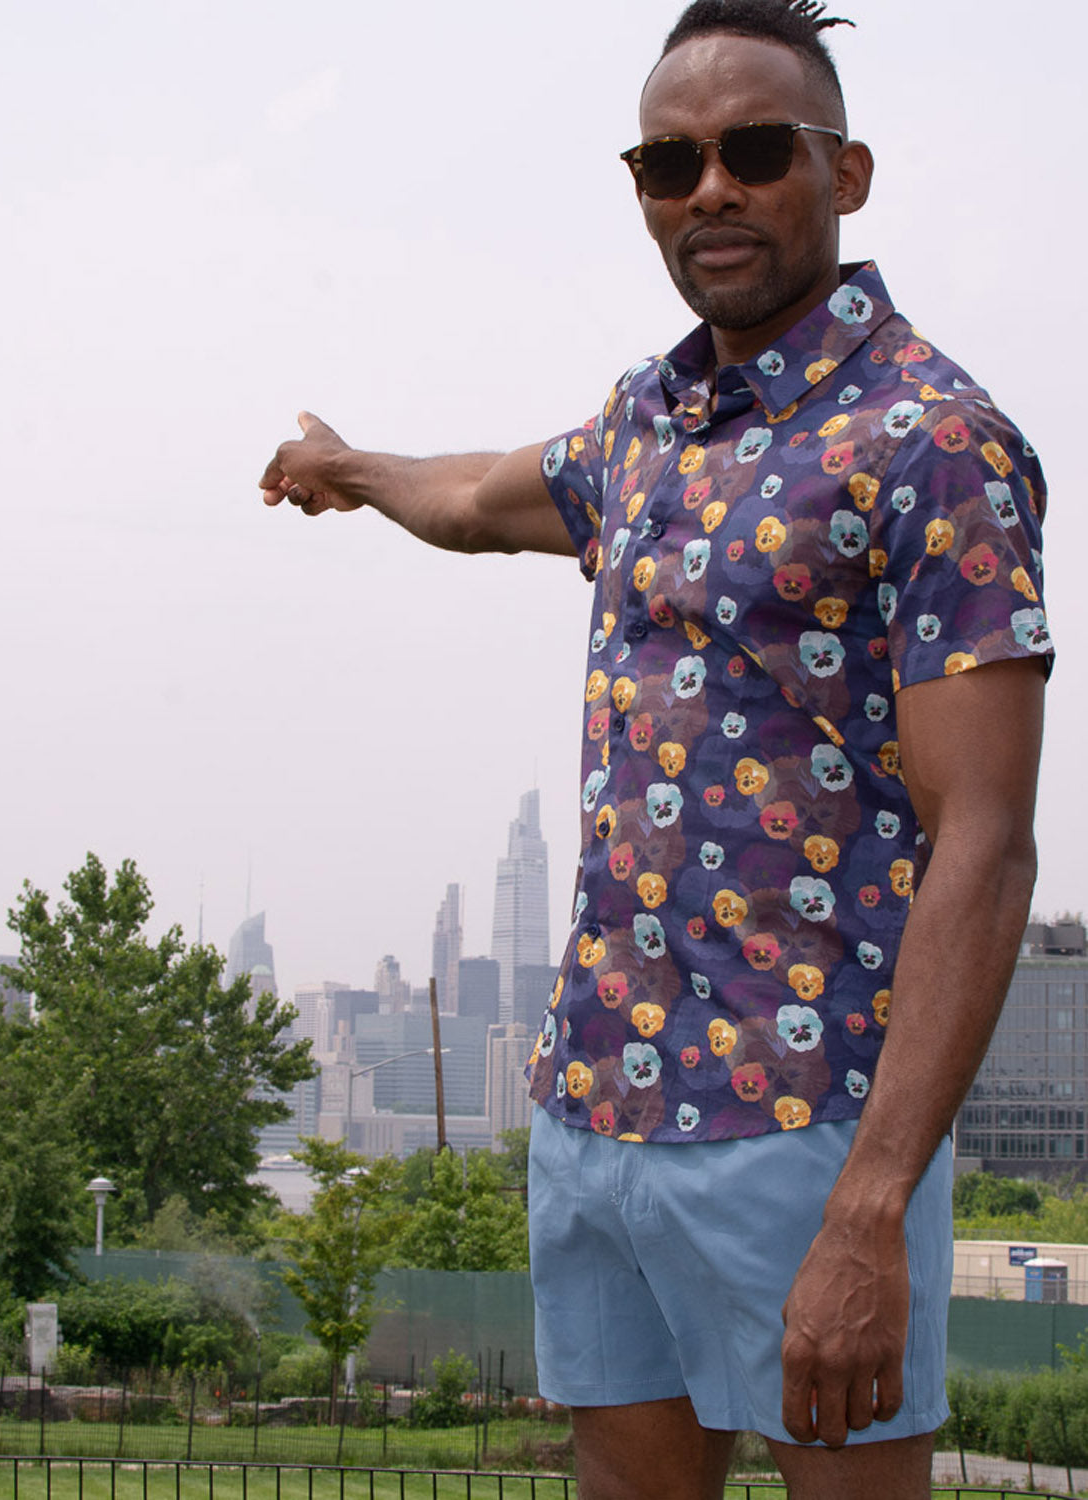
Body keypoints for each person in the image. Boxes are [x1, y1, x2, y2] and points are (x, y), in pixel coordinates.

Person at [259, 2, 1051, 1495]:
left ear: (846, 171)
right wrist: (349, 466)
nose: (710, 191)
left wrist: (875, 1202)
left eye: (755, 150)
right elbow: (482, 497)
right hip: (595, 1104)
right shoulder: (645, 424)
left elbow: (986, 845)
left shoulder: (930, 441)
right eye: (666, 162)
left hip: (806, 1129)